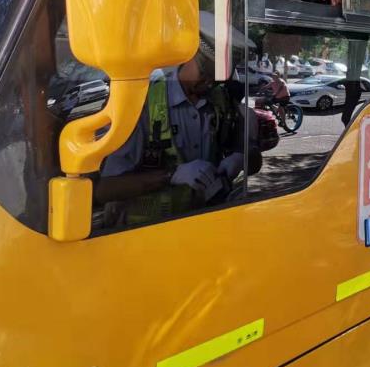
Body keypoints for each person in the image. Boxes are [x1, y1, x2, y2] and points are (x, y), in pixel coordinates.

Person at [94, 32, 262, 226]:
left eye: (218, 77)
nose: (210, 81)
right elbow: (104, 190)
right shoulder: (142, 105)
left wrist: (241, 158)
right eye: (206, 71)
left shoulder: (221, 103)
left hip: (203, 227)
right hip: (145, 235)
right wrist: (171, 175)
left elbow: (255, 160)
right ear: (188, 55)